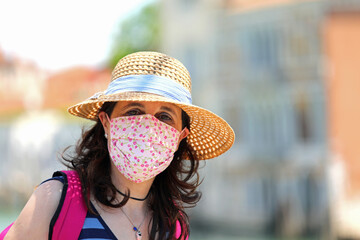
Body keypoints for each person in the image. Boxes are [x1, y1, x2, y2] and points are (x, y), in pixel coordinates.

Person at [2, 51, 235, 240]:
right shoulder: (56, 198)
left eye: (165, 116)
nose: (148, 126)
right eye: (133, 111)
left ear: (180, 137)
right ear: (106, 122)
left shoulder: (173, 226)